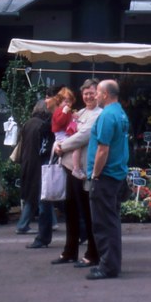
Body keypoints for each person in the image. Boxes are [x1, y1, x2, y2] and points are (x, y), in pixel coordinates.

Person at [51, 79, 101, 267]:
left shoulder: (98, 115)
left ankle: (92, 253)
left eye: (92, 92)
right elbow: (64, 128)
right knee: (71, 211)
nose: (88, 96)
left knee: (87, 213)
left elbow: (83, 136)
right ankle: (69, 251)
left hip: (85, 171)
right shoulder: (78, 112)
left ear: (98, 94)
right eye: (86, 93)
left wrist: (62, 146)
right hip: (71, 169)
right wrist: (58, 142)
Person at [85, 79, 130, 280]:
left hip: (105, 177)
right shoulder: (120, 113)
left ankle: (108, 267)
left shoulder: (107, 116)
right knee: (112, 222)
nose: (94, 96)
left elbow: (103, 149)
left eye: (97, 92)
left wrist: (95, 174)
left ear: (105, 95)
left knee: (103, 223)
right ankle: (111, 264)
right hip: (117, 175)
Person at [15, 99, 57, 239]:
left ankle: (52, 222)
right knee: (39, 194)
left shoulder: (28, 123)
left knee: (39, 193)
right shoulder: (44, 125)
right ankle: (23, 224)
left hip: (27, 161)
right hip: (38, 163)